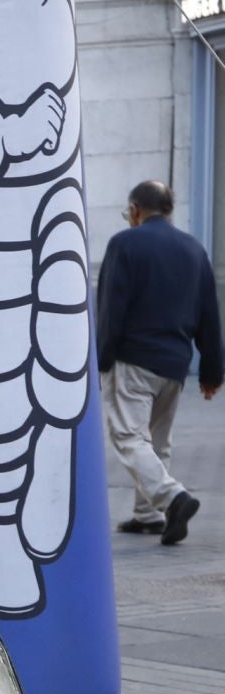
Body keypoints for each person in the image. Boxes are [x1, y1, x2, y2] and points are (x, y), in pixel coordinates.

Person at [96, 179, 217, 545]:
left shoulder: (124, 243)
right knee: (157, 442)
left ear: (134, 210)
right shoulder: (194, 249)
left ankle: (172, 498)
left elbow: (110, 308)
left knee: (129, 437)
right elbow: (209, 313)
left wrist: (101, 362)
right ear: (169, 209)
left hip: (134, 360)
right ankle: (147, 515)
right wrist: (212, 371)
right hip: (175, 365)